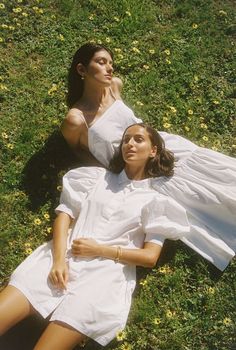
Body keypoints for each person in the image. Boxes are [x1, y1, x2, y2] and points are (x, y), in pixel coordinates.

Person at [0, 124, 191, 349]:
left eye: (138, 139)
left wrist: (100, 250)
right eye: (126, 139)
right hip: (60, 259)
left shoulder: (156, 202)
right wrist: (59, 260)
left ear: (153, 151)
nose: (129, 144)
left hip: (102, 281)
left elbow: (150, 257)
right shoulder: (95, 178)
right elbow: (64, 216)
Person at [61, 43, 236, 271]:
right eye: (101, 62)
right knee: (198, 198)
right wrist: (109, 173)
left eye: (111, 63)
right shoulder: (76, 119)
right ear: (82, 70)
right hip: (139, 168)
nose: (110, 68)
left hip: (159, 145)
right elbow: (78, 151)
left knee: (220, 174)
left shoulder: (115, 86)